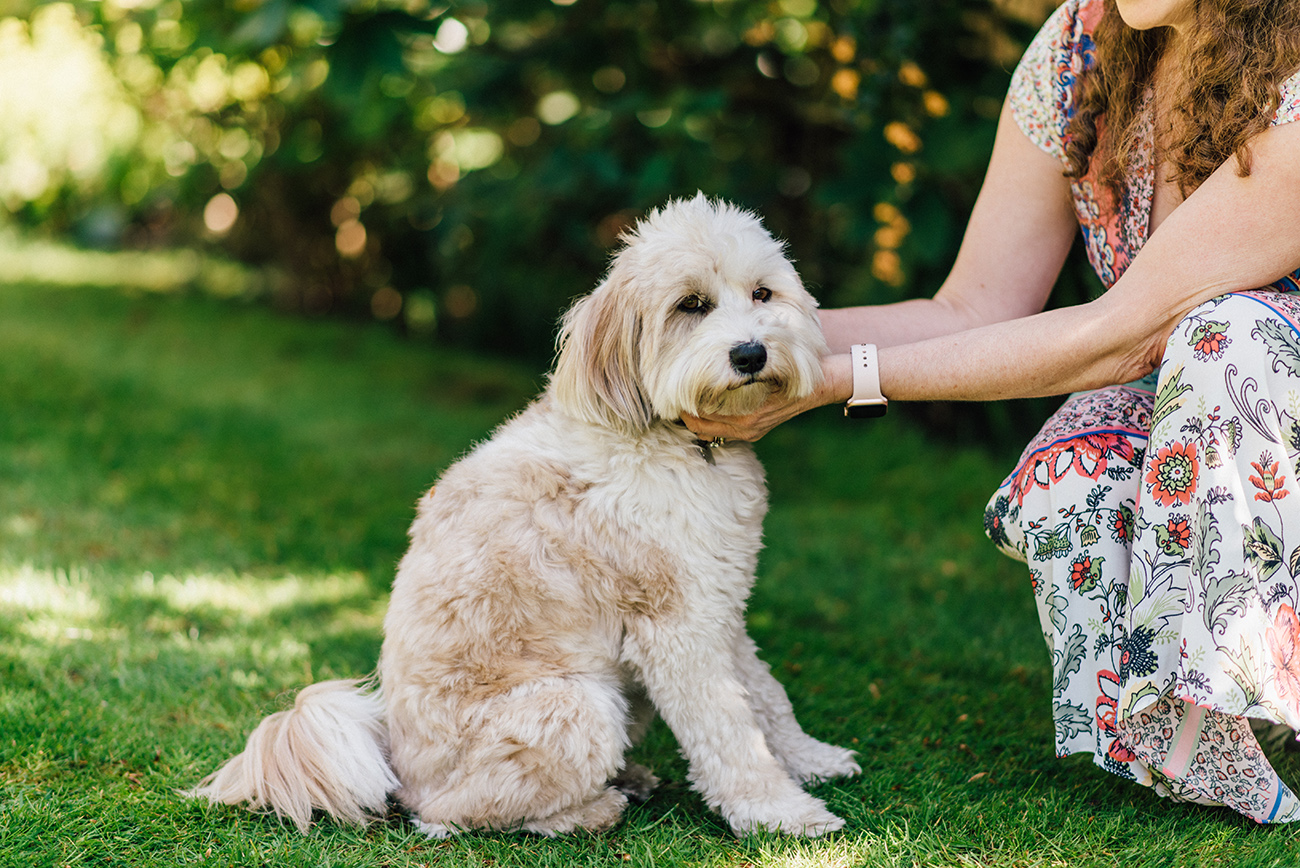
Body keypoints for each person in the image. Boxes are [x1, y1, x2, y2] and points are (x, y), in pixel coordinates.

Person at [684, 0, 1300, 823]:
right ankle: (1205, 727)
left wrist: (838, 381)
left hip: (1261, 415)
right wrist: (726, 342)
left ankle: (1252, 680)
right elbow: (973, 307)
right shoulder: (1084, 46)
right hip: (1199, 413)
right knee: (1083, 454)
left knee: (1227, 336)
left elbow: (1119, 336)